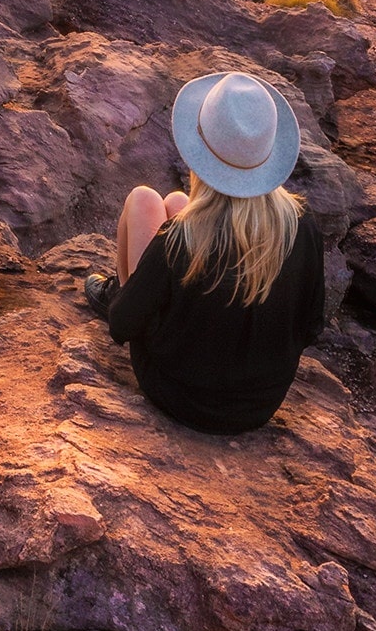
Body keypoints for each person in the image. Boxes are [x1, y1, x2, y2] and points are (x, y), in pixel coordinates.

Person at [87, 70, 324, 436]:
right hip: (260, 404)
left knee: (143, 200)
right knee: (178, 202)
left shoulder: (181, 239)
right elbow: (310, 327)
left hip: (181, 396)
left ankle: (122, 290)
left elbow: (122, 327)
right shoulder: (301, 226)